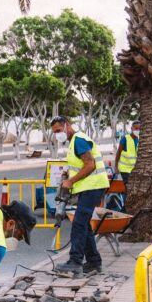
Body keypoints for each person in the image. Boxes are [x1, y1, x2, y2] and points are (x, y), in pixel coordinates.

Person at [49, 115, 110, 277]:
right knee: (84, 225)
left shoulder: (79, 140)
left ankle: (75, 262)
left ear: (67, 125)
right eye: (54, 132)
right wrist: (69, 173)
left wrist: (71, 181)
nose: (57, 134)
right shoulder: (73, 142)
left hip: (94, 185)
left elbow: (90, 164)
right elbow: (81, 164)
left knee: (78, 223)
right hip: (89, 187)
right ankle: (94, 262)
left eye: (58, 130)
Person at [113, 121, 140, 185]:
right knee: (127, 189)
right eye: (136, 128)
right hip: (125, 170)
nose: (138, 130)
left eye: (139, 129)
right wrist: (116, 167)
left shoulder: (139, 139)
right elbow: (118, 153)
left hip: (134, 170)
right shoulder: (125, 138)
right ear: (132, 128)